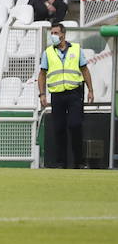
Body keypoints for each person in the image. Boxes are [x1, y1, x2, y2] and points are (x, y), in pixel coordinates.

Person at [39, 23, 94, 169]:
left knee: (75, 125)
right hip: (57, 94)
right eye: (52, 33)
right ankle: (61, 163)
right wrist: (42, 94)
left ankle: (79, 162)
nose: (53, 35)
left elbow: (85, 70)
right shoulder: (48, 52)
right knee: (59, 128)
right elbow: (42, 74)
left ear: (63, 34)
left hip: (74, 93)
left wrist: (90, 90)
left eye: (56, 32)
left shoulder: (76, 49)